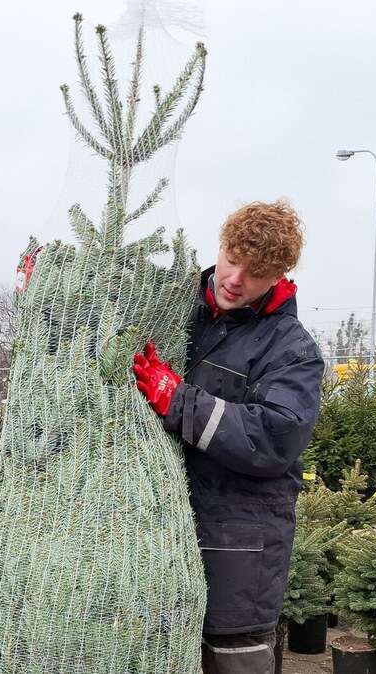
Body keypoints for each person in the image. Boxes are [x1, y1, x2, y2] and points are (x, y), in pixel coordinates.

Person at [132, 200, 324, 674]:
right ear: (220, 247)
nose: (236, 278)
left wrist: (178, 400)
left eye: (255, 273)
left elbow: (274, 439)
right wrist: (47, 294)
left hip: (238, 543)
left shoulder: (291, 349)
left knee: (232, 661)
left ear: (278, 276)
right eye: (232, 259)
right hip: (153, 532)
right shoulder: (170, 309)